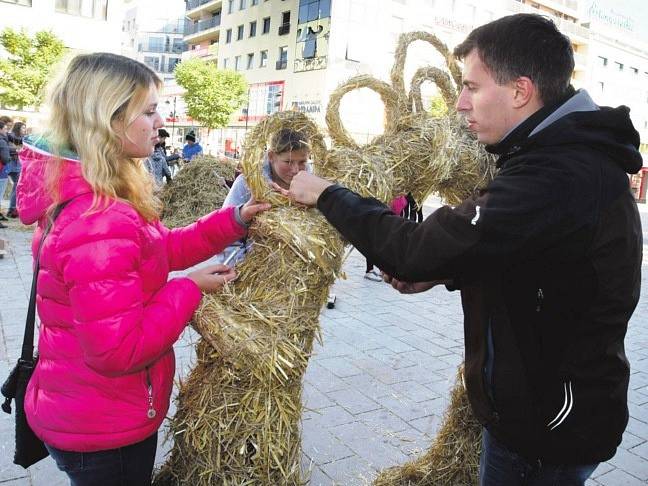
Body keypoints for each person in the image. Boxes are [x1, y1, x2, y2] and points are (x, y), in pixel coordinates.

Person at [277, 14, 642, 486]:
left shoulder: (557, 173)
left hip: (545, 431)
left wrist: (327, 193)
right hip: (539, 413)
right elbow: (530, 257)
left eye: (471, 87)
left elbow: (414, 248)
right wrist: (445, 271)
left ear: (520, 91)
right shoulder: (552, 157)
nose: (460, 104)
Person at [16, 52, 270, 485]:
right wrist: (189, 288)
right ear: (108, 120)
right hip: (104, 427)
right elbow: (120, 351)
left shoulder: (99, 197)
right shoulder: (100, 220)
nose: (160, 121)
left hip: (87, 408)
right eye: (149, 111)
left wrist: (232, 220)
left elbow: (158, 250)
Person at [217, 128, 310, 265]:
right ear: (271, 156)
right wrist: (241, 268)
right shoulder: (247, 184)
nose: (296, 170)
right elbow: (226, 231)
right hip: (255, 274)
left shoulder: (313, 186)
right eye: (288, 162)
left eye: (302, 162)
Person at [6, 121, 25, 218]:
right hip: (9, 163)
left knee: (17, 187)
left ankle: (12, 209)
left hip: (17, 164)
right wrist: (17, 149)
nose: (24, 130)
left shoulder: (23, 139)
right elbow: (7, 148)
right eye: (22, 128)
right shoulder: (10, 136)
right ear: (18, 128)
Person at [0, 120, 11, 227]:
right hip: (1, 172)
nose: (7, 131)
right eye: (5, 129)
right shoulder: (2, 141)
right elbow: (5, 158)